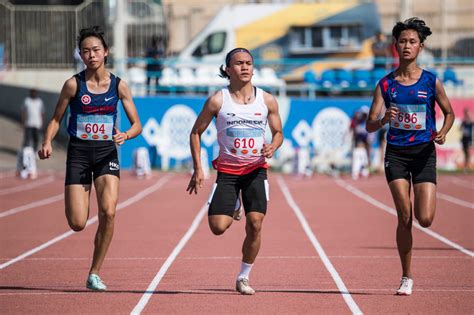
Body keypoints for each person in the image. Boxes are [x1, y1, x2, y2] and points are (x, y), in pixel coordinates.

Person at [38, 26, 142, 291]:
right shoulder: (74, 84)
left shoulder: (119, 86)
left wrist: (126, 135)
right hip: (79, 154)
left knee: (108, 211)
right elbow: (56, 119)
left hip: (107, 153)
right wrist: (47, 140)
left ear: (105, 52)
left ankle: (94, 272)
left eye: (96, 50)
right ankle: (85, 241)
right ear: (81, 55)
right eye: (85, 51)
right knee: (77, 222)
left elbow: (137, 124)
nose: (91, 55)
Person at [366, 18, 454, 296]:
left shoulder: (430, 81)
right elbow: (369, 123)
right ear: (396, 46)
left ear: (421, 47)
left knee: (425, 219)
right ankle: (406, 276)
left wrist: (443, 131)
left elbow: (449, 112)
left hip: (424, 152)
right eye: (402, 41)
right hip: (397, 154)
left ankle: (408, 266)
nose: (407, 46)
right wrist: (383, 120)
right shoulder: (386, 83)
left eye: (412, 42)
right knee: (405, 216)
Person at [187, 48, 283, 295]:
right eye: (238, 63)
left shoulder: (267, 100)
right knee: (218, 227)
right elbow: (196, 132)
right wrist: (198, 167)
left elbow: (278, 132)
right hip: (228, 172)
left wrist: (273, 144)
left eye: (249, 63)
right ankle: (234, 204)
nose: (245, 67)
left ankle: (243, 276)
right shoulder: (218, 100)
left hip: (255, 170)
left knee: (255, 224)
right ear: (228, 70)